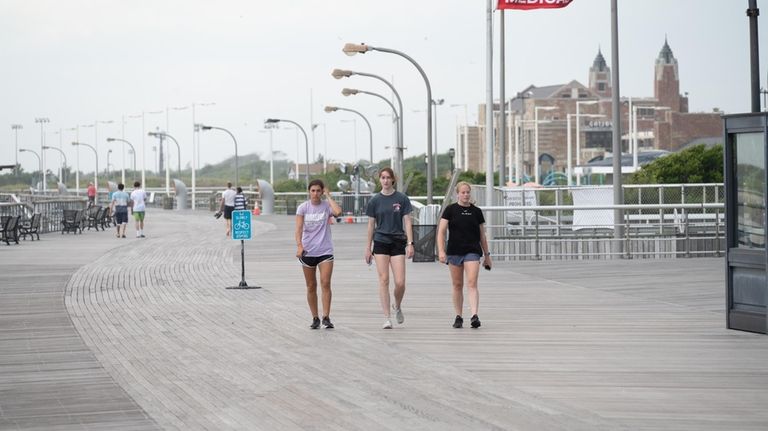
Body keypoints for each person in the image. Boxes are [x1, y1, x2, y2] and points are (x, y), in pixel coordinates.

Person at [364, 167, 414, 329]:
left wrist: (410, 243)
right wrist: (367, 248)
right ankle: (387, 317)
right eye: (382, 178)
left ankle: (397, 305)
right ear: (380, 180)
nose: (385, 181)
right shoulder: (374, 201)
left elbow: (407, 221)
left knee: (400, 282)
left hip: (398, 241)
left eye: (388, 178)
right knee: (384, 279)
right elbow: (371, 225)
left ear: (393, 180)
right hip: (380, 241)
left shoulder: (402, 198)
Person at [436, 181, 491, 329]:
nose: (466, 195)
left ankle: (474, 315)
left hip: (472, 251)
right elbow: (441, 231)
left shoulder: (476, 211)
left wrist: (487, 255)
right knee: (457, 284)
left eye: (468, 192)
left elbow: (482, 235)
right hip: (454, 251)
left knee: (472, 282)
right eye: (463, 192)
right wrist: (441, 251)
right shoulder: (450, 210)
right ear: (458, 194)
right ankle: (458, 315)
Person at [295, 179, 342, 329]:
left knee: (325, 283)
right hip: (308, 251)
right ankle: (315, 317)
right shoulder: (303, 208)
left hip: (325, 250)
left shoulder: (326, 206)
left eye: (318, 191)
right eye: (313, 190)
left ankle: (326, 317)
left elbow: (338, 212)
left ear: (322, 191)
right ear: (309, 192)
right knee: (311, 286)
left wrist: (328, 196)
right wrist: (299, 246)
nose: (315, 194)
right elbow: (298, 229)